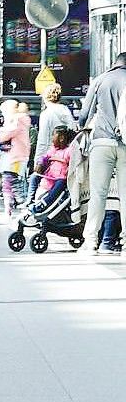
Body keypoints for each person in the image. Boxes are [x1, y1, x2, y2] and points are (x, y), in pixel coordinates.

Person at [77, 52, 126, 255]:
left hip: (101, 143)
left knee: (98, 194)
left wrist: (82, 127)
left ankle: (90, 242)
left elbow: (84, 115)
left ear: (114, 63)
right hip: (125, 144)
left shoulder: (100, 80)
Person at [26, 83, 75, 204]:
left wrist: (38, 161)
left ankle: (34, 202)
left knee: (44, 182)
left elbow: (43, 139)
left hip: (51, 156)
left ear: (45, 97)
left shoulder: (46, 114)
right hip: (66, 156)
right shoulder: (67, 112)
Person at [0, 99, 30, 224]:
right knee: (11, 184)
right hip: (17, 157)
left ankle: (22, 213)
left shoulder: (16, 121)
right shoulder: (21, 120)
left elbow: (2, 136)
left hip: (15, 158)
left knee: (13, 185)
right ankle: (11, 212)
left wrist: (1, 131)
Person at [30, 125, 73, 213]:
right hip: (49, 175)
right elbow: (45, 157)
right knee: (34, 177)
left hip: (60, 178)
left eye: (53, 136)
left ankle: (45, 202)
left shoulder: (69, 151)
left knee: (60, 184)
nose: (52, 138)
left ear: (61, 138)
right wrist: (40, 163)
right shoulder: (53, 150)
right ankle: (30, 199)